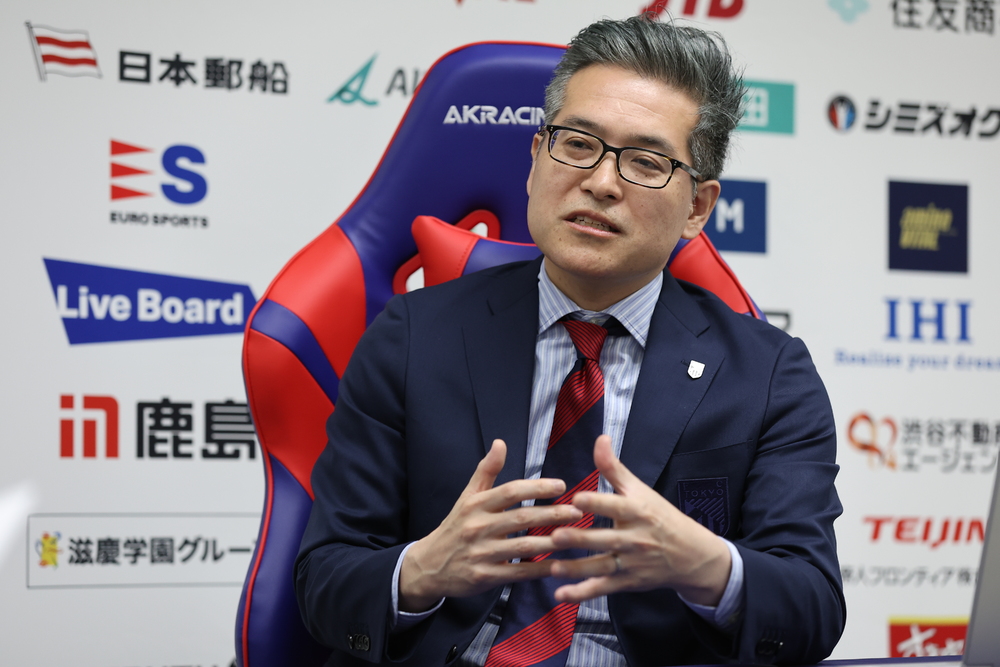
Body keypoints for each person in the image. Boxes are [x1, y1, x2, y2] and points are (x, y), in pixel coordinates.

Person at [296, 15, 845, 667]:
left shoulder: (770, 374)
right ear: (535, 160)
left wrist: (707, 566)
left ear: (698, 208)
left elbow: (811, 608)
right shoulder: (413, 336)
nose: (602, 182)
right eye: (578, 144)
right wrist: (423, 568)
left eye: (646, 162)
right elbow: (324, 581)